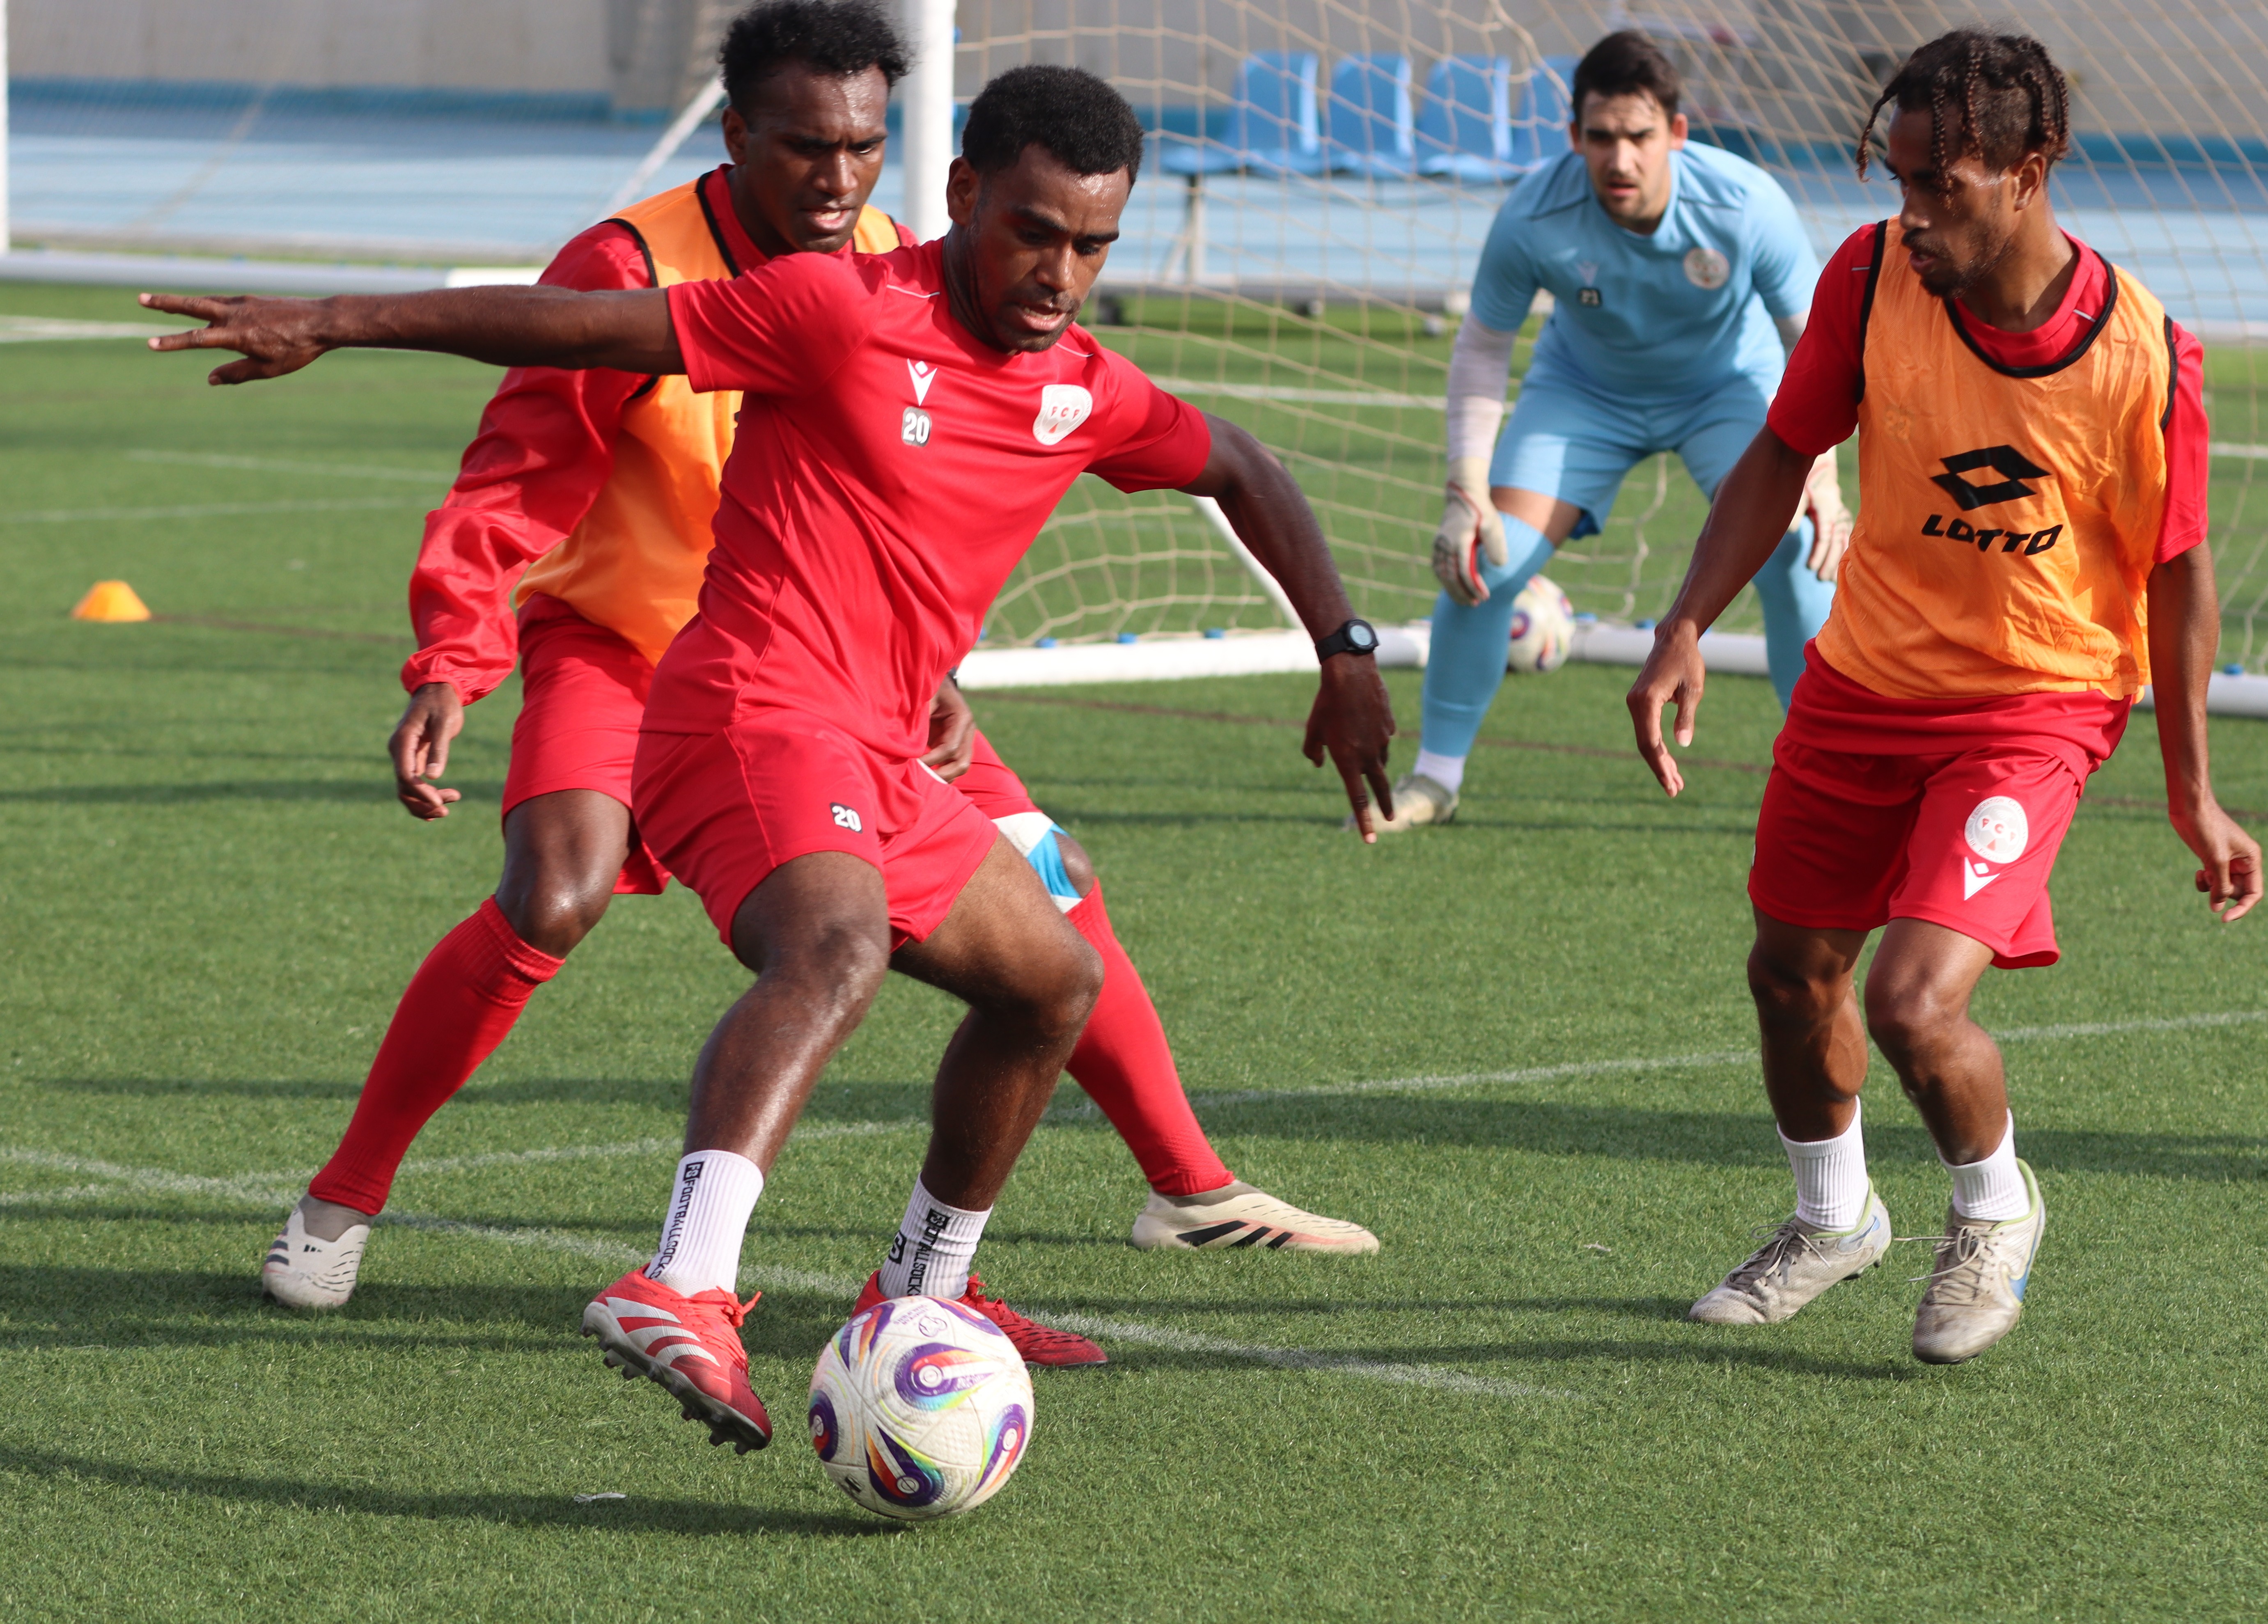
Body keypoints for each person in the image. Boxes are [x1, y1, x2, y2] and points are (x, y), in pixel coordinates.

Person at [151, 63, 1397, 1447]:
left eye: (1092, 244)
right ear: (966, 194)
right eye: (1033, 231)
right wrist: (331, 317)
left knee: (1051, 978)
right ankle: (678, 1280)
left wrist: (1340, 650)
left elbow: (1242, 463)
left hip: (881, 741)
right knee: (826, 945)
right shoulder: (839, 311)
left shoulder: (1085, 389)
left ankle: (922, 1292)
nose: (1060, 272)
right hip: (741, 708)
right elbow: (570, 324)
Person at [1626, 28, 2259, 1364]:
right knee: (1790, 973)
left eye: (1942, 188)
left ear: (2032, 170)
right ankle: (1833, 1216)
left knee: (1915, 1003)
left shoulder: (2145, 357)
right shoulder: (1865, 276)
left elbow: (2177, 581)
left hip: (2030, 710)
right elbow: (1783, 447)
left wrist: (2190, 789)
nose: (1910, 213)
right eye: (1899, 180)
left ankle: (1989, 1209)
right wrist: (1685, 619)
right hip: (1858, 687)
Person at [1382, 30, 1850, 832]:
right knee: (1486, 561)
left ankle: (1828, 784)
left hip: (1727, 392)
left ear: (1676, 132)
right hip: (1584, 396)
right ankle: (1435, 777)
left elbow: (1815, 340)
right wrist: (1467, 487)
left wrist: (1825, 478)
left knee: (1799, 556)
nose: (1620, 159)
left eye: (1639, 137)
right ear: (1574, 138)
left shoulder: (1745, 204)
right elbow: (1485, 347)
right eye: (1600, 137)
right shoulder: (1533, 212)